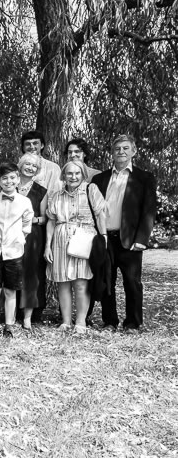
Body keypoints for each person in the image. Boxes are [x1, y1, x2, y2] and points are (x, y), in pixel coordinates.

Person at [91, 134, 157, 331]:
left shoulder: (144, 178)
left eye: (125, 148)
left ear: (133, 151)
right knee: (106, 281)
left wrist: (142, 239)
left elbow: (149, 210)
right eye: (117, 148)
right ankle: (110, 321)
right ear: (112, 153)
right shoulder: (99, 179)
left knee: (132, 282)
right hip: (105, 237)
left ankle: (133, 323)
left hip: (130, 239)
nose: (121, 152)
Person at [45, 161, 107, 333]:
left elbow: (100, 215)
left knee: (80, 283)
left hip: (83, 239)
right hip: (60, 240)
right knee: (63, 283)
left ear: (83, 175)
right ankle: (66, 321)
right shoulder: (57, 195)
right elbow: (51, 221)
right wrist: (47, 246)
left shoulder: (91, 190)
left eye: (77, 173)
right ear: (63, 176)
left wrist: (104, 237)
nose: (73, 177)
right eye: (69, 173)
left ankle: (80, 321)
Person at [0, 162, 34, 337]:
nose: (8, 181)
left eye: (12, 177)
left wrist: (18, 239)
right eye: (4, 178)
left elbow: (27, 224)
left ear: (18, 179)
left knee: (11, 290)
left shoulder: (25, 202)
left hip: (14, 252)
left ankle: (9, 325)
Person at [15, 153, 48, 331]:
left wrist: (32, 220)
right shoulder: (10, 185)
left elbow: (44, 218)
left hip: (33, 237)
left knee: (31, 274)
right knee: (12, 271)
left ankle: (28, 316)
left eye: (34, 166)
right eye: (27, 164)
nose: (30, 167)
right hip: (11, 235)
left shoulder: (41, 190)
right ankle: (11, 312)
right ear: (20, 166)